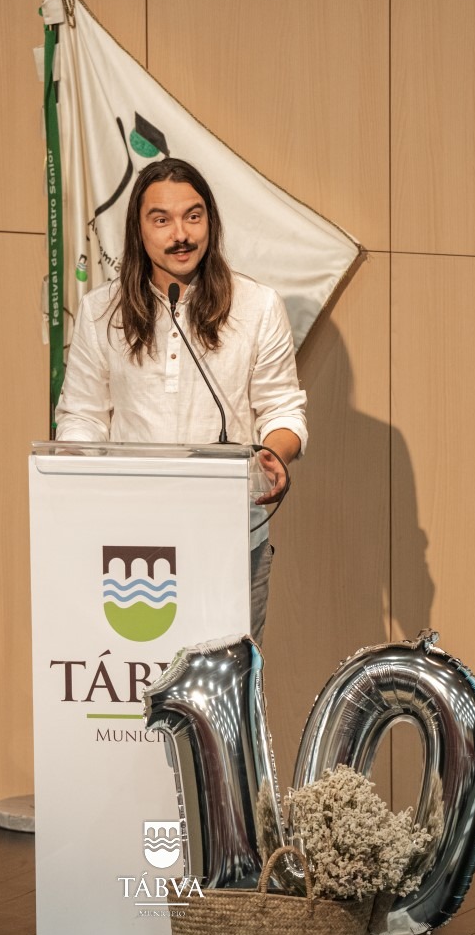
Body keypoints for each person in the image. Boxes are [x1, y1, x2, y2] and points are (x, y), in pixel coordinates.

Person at [54, 157, 306, 646]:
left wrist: (275, 452)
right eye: (161, 220)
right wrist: (74, 471)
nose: (181, 235)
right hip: (127, 545)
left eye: (193, 216)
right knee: (133, 688)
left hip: (231, 538)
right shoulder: (100, 311)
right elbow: (82, 415)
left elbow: (282, 408)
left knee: (226, 688)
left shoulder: (257, 307)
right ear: (138, 230)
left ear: (211, 220)